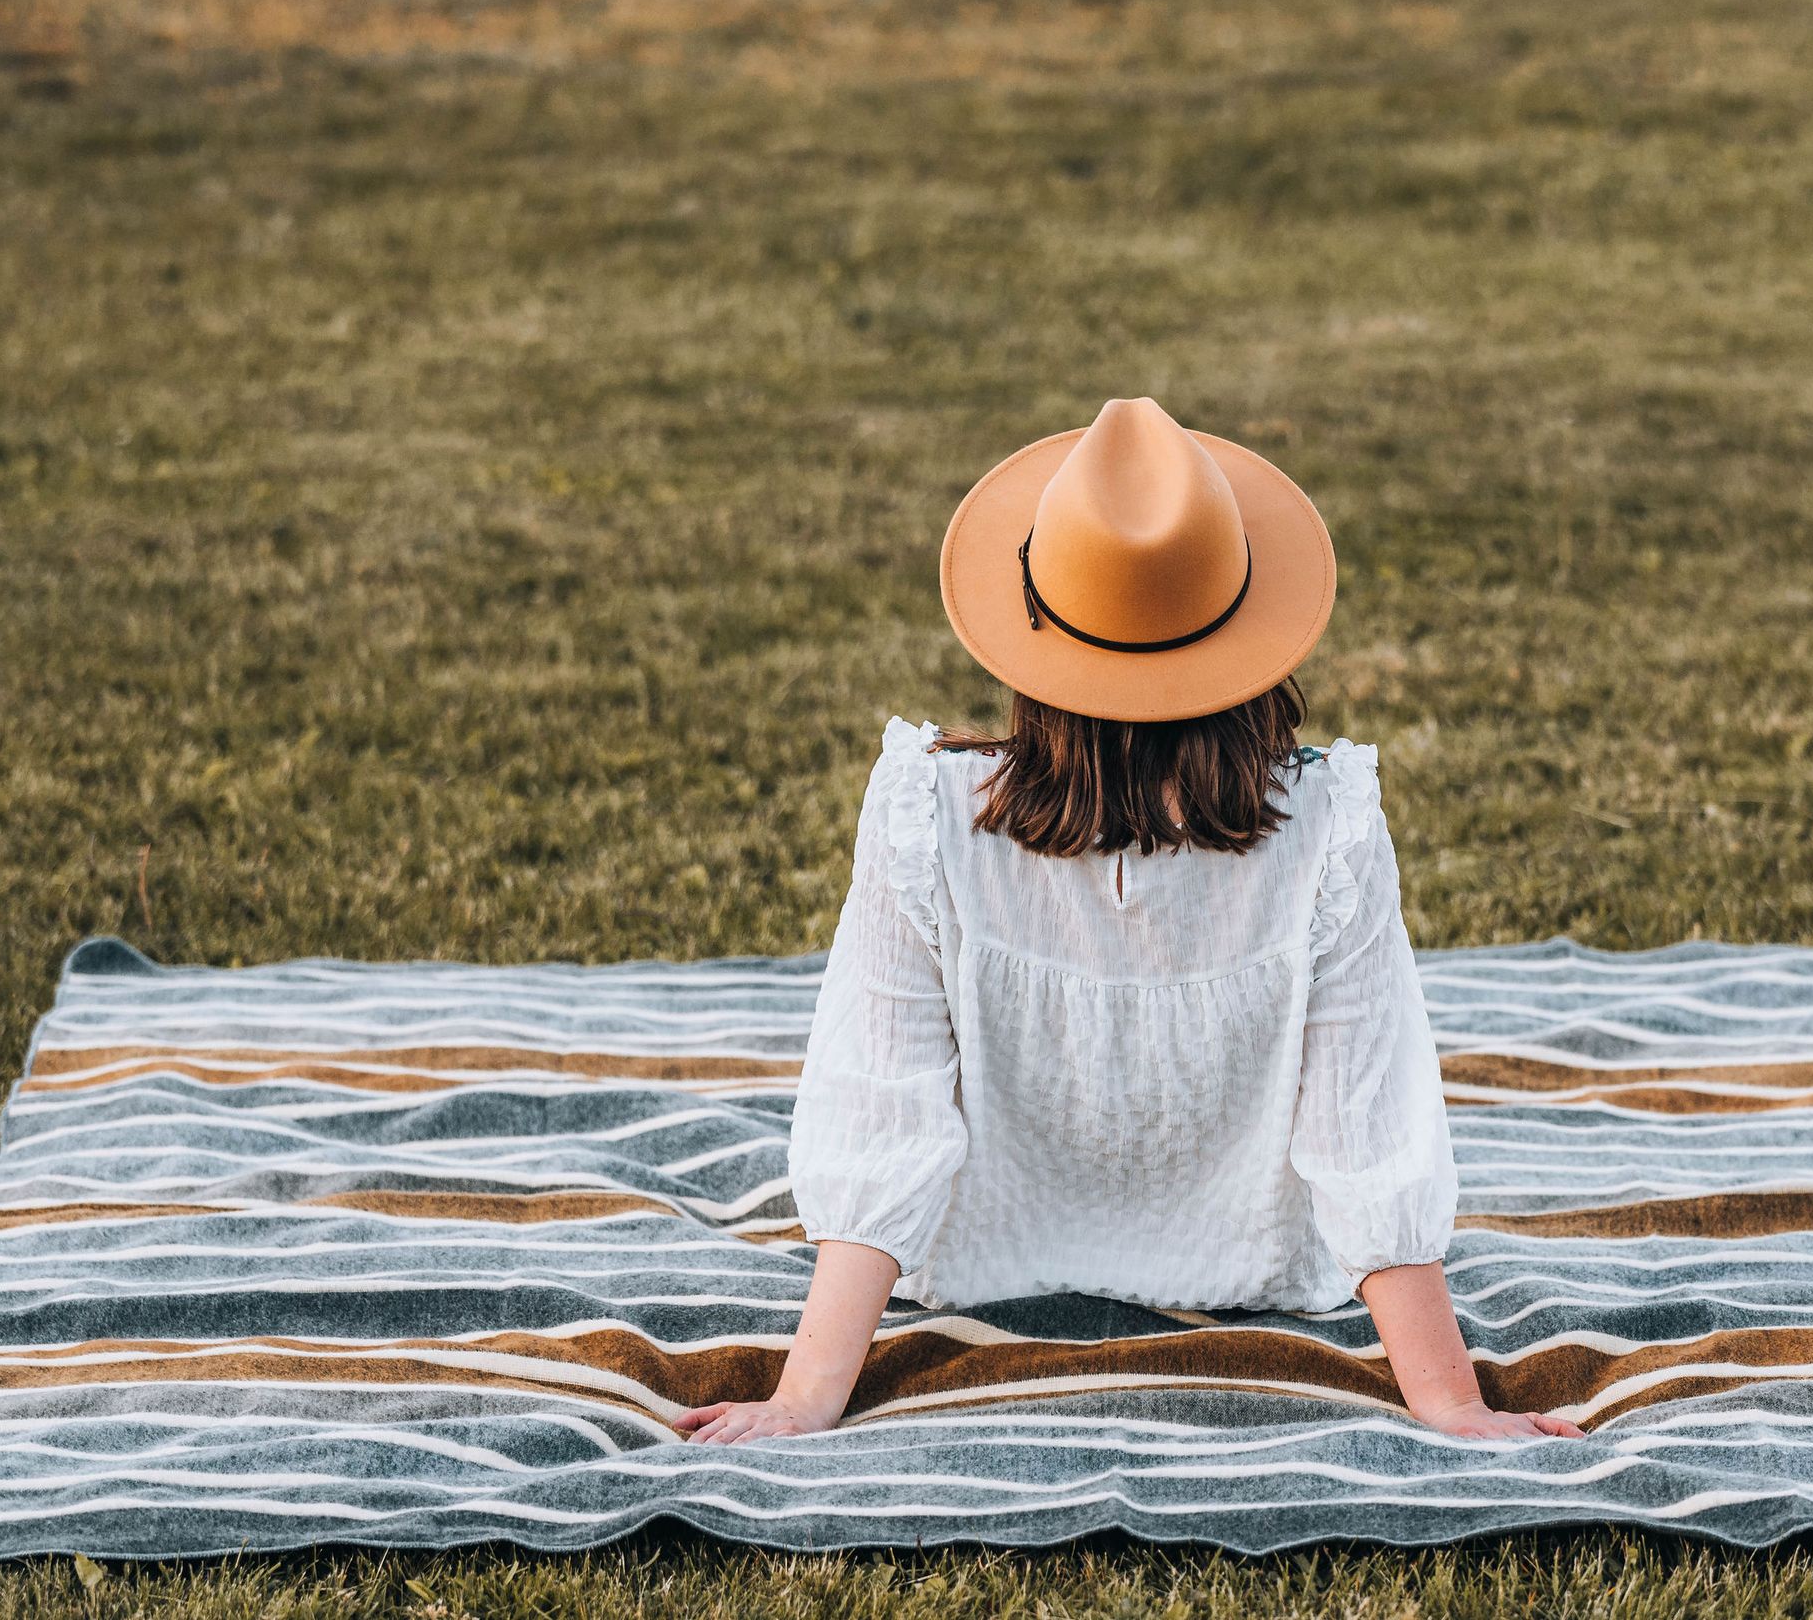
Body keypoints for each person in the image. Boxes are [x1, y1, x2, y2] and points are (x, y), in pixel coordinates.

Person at [677, 398, 1581, 1446]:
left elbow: (885, 1117)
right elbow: (1364, 1132)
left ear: (1035, 647)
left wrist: (806, 1395)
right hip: (1265, 1276)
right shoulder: (1328, 832)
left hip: (973, 1269)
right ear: (1250, 642)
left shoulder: (926, 821)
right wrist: (1450, 1400)